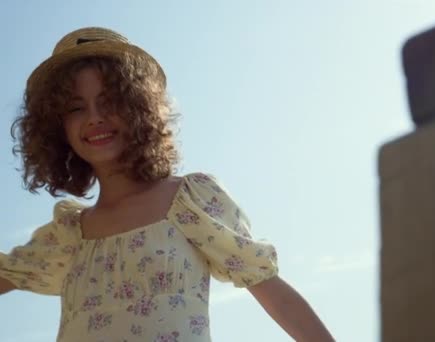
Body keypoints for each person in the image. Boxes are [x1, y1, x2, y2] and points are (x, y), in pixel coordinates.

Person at [0, 27, 334, 342]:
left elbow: (274, 293)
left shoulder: (190, 201)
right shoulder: (68, 234)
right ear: (56, 128)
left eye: (110, 101)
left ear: (138, 108)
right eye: (76, 107)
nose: (94, 117)